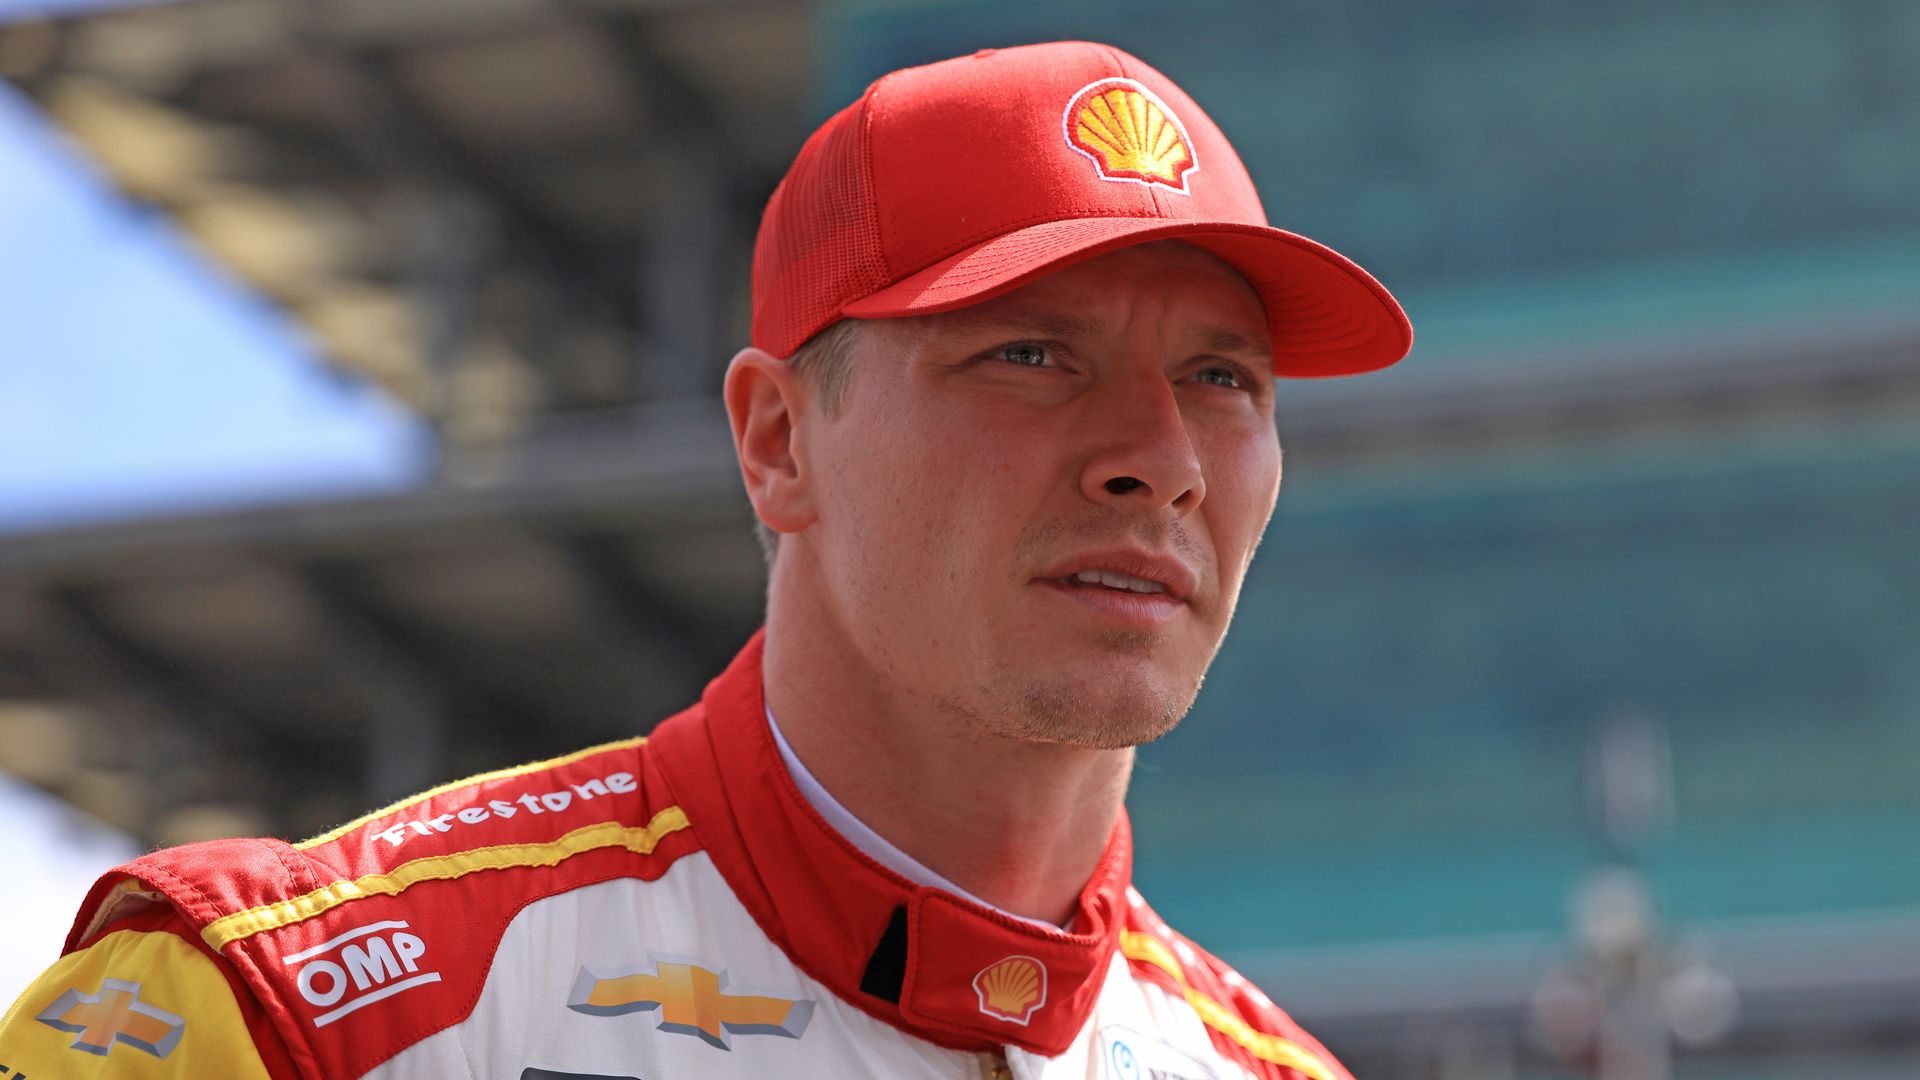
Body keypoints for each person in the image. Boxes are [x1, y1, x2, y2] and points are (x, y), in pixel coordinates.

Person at [0, 40, 1410, 1079]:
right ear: (778, 442)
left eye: (1224, 380)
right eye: (1034, 354)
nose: (1157, 457)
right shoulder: (279, 1017)